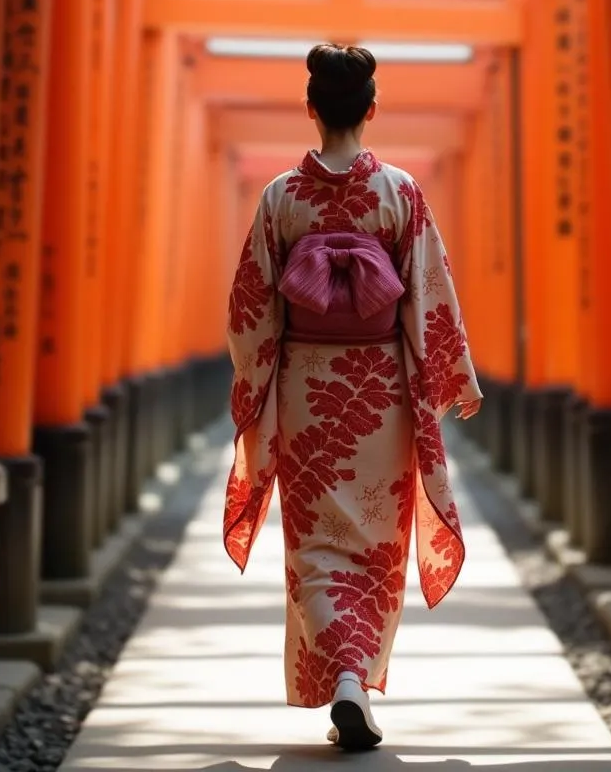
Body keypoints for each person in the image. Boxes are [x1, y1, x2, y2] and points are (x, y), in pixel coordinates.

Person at [223, 43, 482, 751]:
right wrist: (452, 375)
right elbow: (428, 294)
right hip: (380, 397)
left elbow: (251, 310)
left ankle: (340, 674)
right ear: (370, 110)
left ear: (313, 109)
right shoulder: (399, 192)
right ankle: (354, 678)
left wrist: (254, 389)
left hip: (309, 389)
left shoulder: (280, 197)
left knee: (313, 547)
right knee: (374, 545)